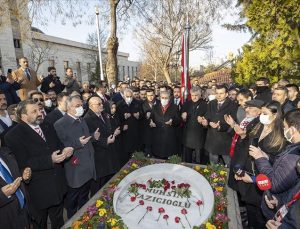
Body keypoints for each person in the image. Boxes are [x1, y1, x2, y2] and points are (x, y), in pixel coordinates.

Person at [5, 100, 73, 229]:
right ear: (23, 116)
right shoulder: (13, 136)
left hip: (57, 185)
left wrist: (65, 150)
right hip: (38, 190)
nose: (40, 113)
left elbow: (58, 145)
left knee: (58, 220)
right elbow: (22, 163)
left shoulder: (47, 125)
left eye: (40, 110)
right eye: (34, 111)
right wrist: (50, 160)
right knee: (40, 223)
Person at [250, 109, 300, 228]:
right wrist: (280, 201)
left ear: (292, 130)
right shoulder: (293, 148)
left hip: (283, 220)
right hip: (281, 206)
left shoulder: (294, 156)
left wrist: (260, 159)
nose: (283, 130)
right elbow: (291, 185)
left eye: (285, 126)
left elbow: (274, 184)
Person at [54, 96, 97, 218]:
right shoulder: (60, 124)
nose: (81, 108)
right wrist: (78, 143)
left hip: (88, 164)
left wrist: (93, 136)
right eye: (77, 106)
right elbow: (62, 146)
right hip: (75, 167)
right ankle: (72, 221)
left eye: (81, 105)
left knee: (84, 196)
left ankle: (83, 218)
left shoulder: (81, 119)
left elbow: (86, 138)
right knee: (73, 199)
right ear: (68, 107)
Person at [84, 97, 120, 195]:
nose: (101, 105)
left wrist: (114, 133)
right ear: (91, 106)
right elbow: (90, 139)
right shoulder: (87, 119)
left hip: (110, 153)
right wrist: (105, 141)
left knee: (110, 181)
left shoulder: (104, 114)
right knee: (99, 186)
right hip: (99, 157)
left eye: (101, 103)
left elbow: (107, 130)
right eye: (98, 104)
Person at [201, 84, 238, 165]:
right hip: (212, 140)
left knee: (229, 165)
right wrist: (205, 122)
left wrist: (220, 126)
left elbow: (233, 121)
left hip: (225, 140)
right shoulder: (211, 103)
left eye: (221, 93)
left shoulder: (233, 105)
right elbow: (207, 116)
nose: (218, 95)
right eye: (217, 93)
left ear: (226, 94)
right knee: (213, 166)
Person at [0, 147, 31, 229]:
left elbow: (14, 173)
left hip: (24, 210)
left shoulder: (5, 152)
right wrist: (3, 195)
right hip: (6, 220)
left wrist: (23, 175)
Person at [150, 91, 180, 159]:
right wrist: (151, 122)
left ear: (169, 98)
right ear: (160, 98)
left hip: (169, 138)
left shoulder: (175, 107)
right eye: (162, 98)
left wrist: (172, 121)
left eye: (166, 98)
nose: (164, 99)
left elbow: (178, 120)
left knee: (168, 161)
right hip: (157, 137)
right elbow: (151, 118)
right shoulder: (154, 107)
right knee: (158, 159)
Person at [181, 87, 207, 163]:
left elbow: (207, 120)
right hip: (188, 136)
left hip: (199, 136)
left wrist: (203, 122)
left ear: (200, 95)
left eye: (196, 95)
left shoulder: (204, 104)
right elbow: (182, 119)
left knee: (199, 159)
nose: (194, 97)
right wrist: (183, 118)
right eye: (192, 95)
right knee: (187, 159)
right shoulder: (186, 104)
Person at [116, 88, 141, 160]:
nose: (129, 98)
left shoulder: (137, 103)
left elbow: (142, 114)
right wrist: (123, 117)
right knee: (126, 152)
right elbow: (116, 119)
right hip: (125, 132)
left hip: (136, 130)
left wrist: (139, 115)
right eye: (127, 96)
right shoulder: (119, 105)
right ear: (123, 96)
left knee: (136, 151)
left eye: (130, 96)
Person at [141, 89, 157, 156]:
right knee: (148, 153)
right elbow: (141, 116)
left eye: (152, 95)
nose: (150, 97)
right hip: (147, 132)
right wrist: (146, 117)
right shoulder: (142, 104)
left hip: (157, 131)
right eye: (148, 96)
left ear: (154, 95)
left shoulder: (160, 102)